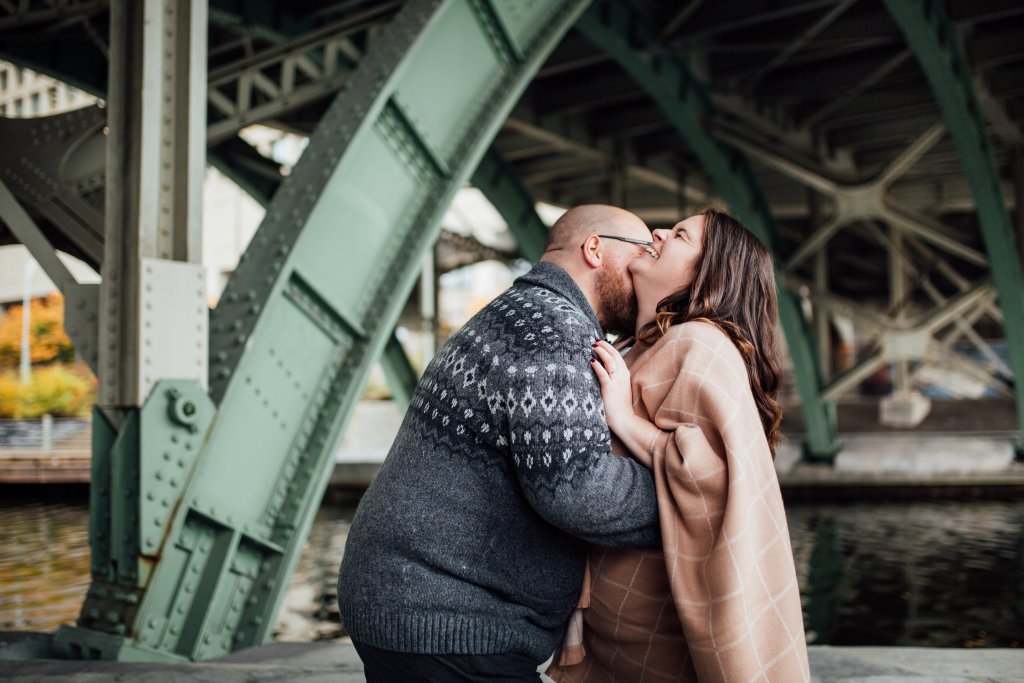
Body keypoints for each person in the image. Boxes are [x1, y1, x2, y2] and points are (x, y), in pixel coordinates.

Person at [337, 204, 665, 682]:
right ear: (595, 249)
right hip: (447, 616)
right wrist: (687, 495)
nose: (645, 271)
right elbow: (577, 490)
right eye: (642, 254)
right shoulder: (553, 333)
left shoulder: (519, 312)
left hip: (407, 598)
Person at [551, 209, 810, 683]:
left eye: (680, 235)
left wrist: (625, 420)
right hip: (623, 621)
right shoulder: (648, 344)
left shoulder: (700, 345)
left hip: (654, 624)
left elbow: (711, 476)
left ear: (708, 272)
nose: (657, 234)